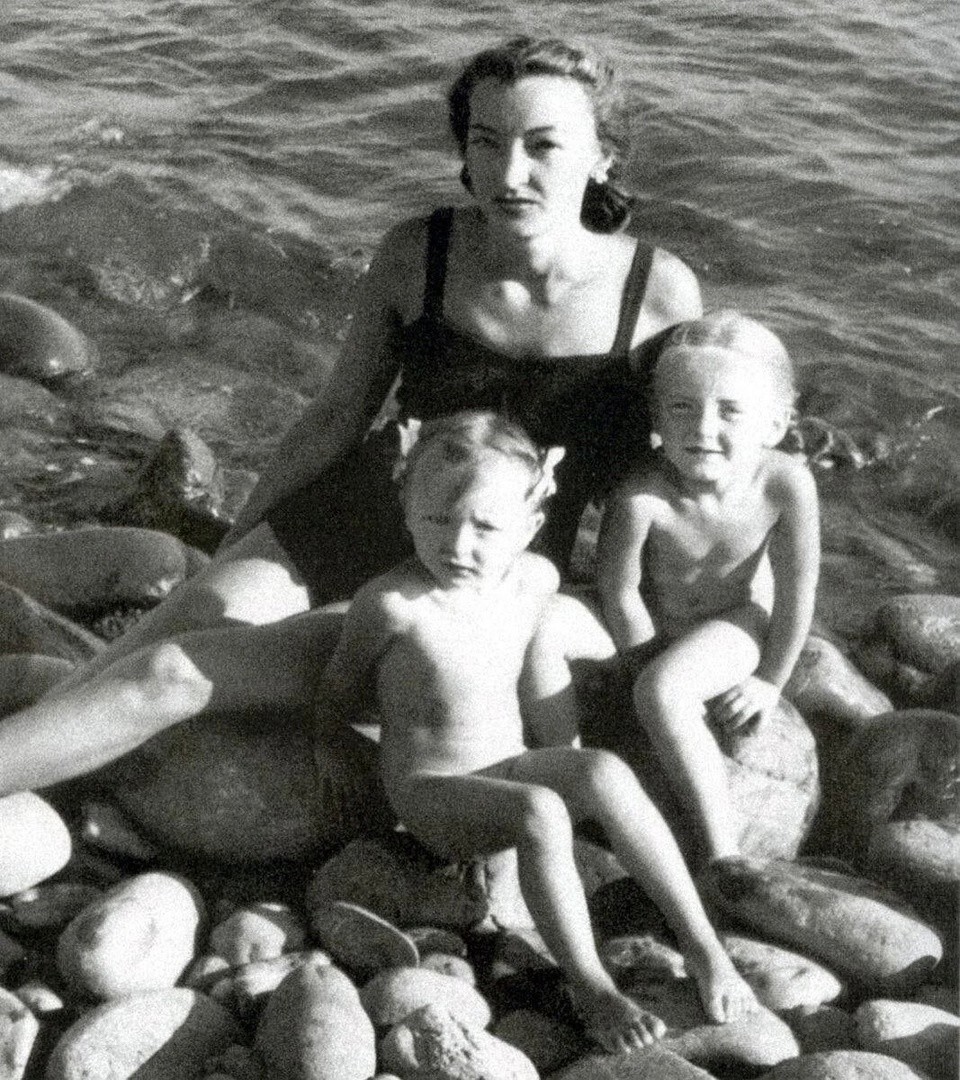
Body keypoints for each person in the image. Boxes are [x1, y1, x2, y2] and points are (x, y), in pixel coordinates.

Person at [0, 35, 702, 804]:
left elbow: (682, 474)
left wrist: (698, 633)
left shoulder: (657, 295)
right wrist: (239, 543)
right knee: (173, 627)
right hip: (355, 510)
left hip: (477, 562)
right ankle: (36, 764)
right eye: (487, 141)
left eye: (543, 146)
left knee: (168, 676)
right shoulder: (420, 253)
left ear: (603, 156)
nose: (508, 174)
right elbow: (335, 418)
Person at [314, 411, 758, 1054]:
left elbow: (535, 662)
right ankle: (591, 987)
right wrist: (332, 745)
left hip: (508, 763)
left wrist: (572, 737)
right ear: (405, 508)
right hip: (432, 794)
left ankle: (703, 945)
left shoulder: (534, 581)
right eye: (436, 520)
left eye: (485, 528)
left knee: (603, 770)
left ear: (530, 524)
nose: (458, 545)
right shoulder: (394, 605)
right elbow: (339, 683)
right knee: (541, 810)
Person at [596, 311, 821, 864]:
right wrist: (642, 660)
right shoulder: (641, 497)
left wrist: (770, 682)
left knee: (664, 692)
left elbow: (797, 593)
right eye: (682, 407)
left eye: (730, 411)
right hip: (650, 624)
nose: (702, 428)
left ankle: (723, 854)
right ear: (656, 418)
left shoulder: (785, 484)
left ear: (774, 425)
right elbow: (620, 592)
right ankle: (575, 773)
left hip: (733, 622)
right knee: (561, 628)